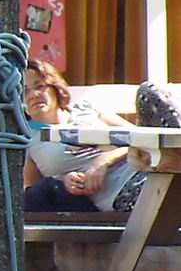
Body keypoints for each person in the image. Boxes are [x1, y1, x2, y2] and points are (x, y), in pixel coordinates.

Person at [22, 58, 181, 213]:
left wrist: (103, 161)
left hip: (145, 167)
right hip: (122, 192)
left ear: (54, 87)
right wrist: (63, 182)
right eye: (25, 91)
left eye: (40, 86)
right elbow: (34, 193)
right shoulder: (27, 138)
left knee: (149, 91)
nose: (34, 95)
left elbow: (139, 137)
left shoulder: (85, 109)